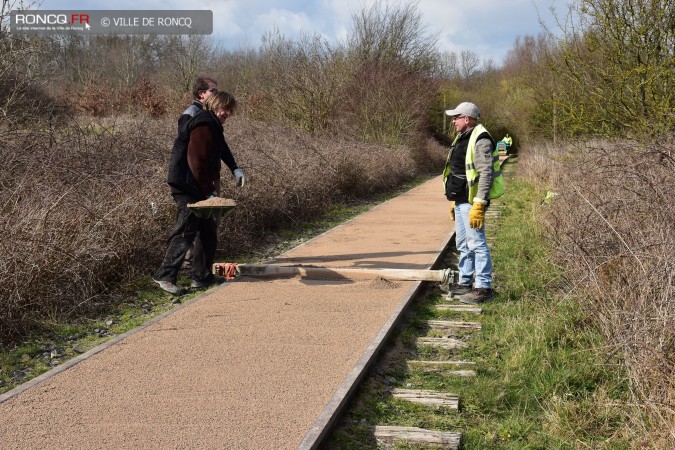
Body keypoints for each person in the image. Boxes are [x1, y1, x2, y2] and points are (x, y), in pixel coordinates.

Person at [153, 91, 246, 295]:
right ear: (214, 105)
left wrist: (234, 167)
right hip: (187, 185)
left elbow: (221, 149)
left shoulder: (212, 124)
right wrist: (210, 191)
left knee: (207, 231)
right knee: (185, 230)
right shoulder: (204, 124)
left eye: (230, 110)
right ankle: (165, 275)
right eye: (225, 108)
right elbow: (197, 162)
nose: (228, 113)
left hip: (196, 185)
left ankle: (202, 277)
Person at [442, 102, 503, 304]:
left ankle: (483, 287)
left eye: (456, 117)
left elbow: (486, 174)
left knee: (477, 243)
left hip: (472, 201)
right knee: (463, 244)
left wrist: (479, 203)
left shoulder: (481, 139)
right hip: (461, 200)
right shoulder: (463, 137)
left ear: (466, 119)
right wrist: (454, 199)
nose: (453, 121)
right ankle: (466, 282)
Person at [178, 76, 220, 271]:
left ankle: (199, 267)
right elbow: (188, 150)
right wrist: (204, 184)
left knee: (207, 224)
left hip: (205, 176)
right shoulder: (192, 114)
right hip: (195, 178)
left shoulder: (207, 113)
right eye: (213, 91)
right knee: (194, 224)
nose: (217, 94)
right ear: (201, 94)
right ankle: (190, 266)